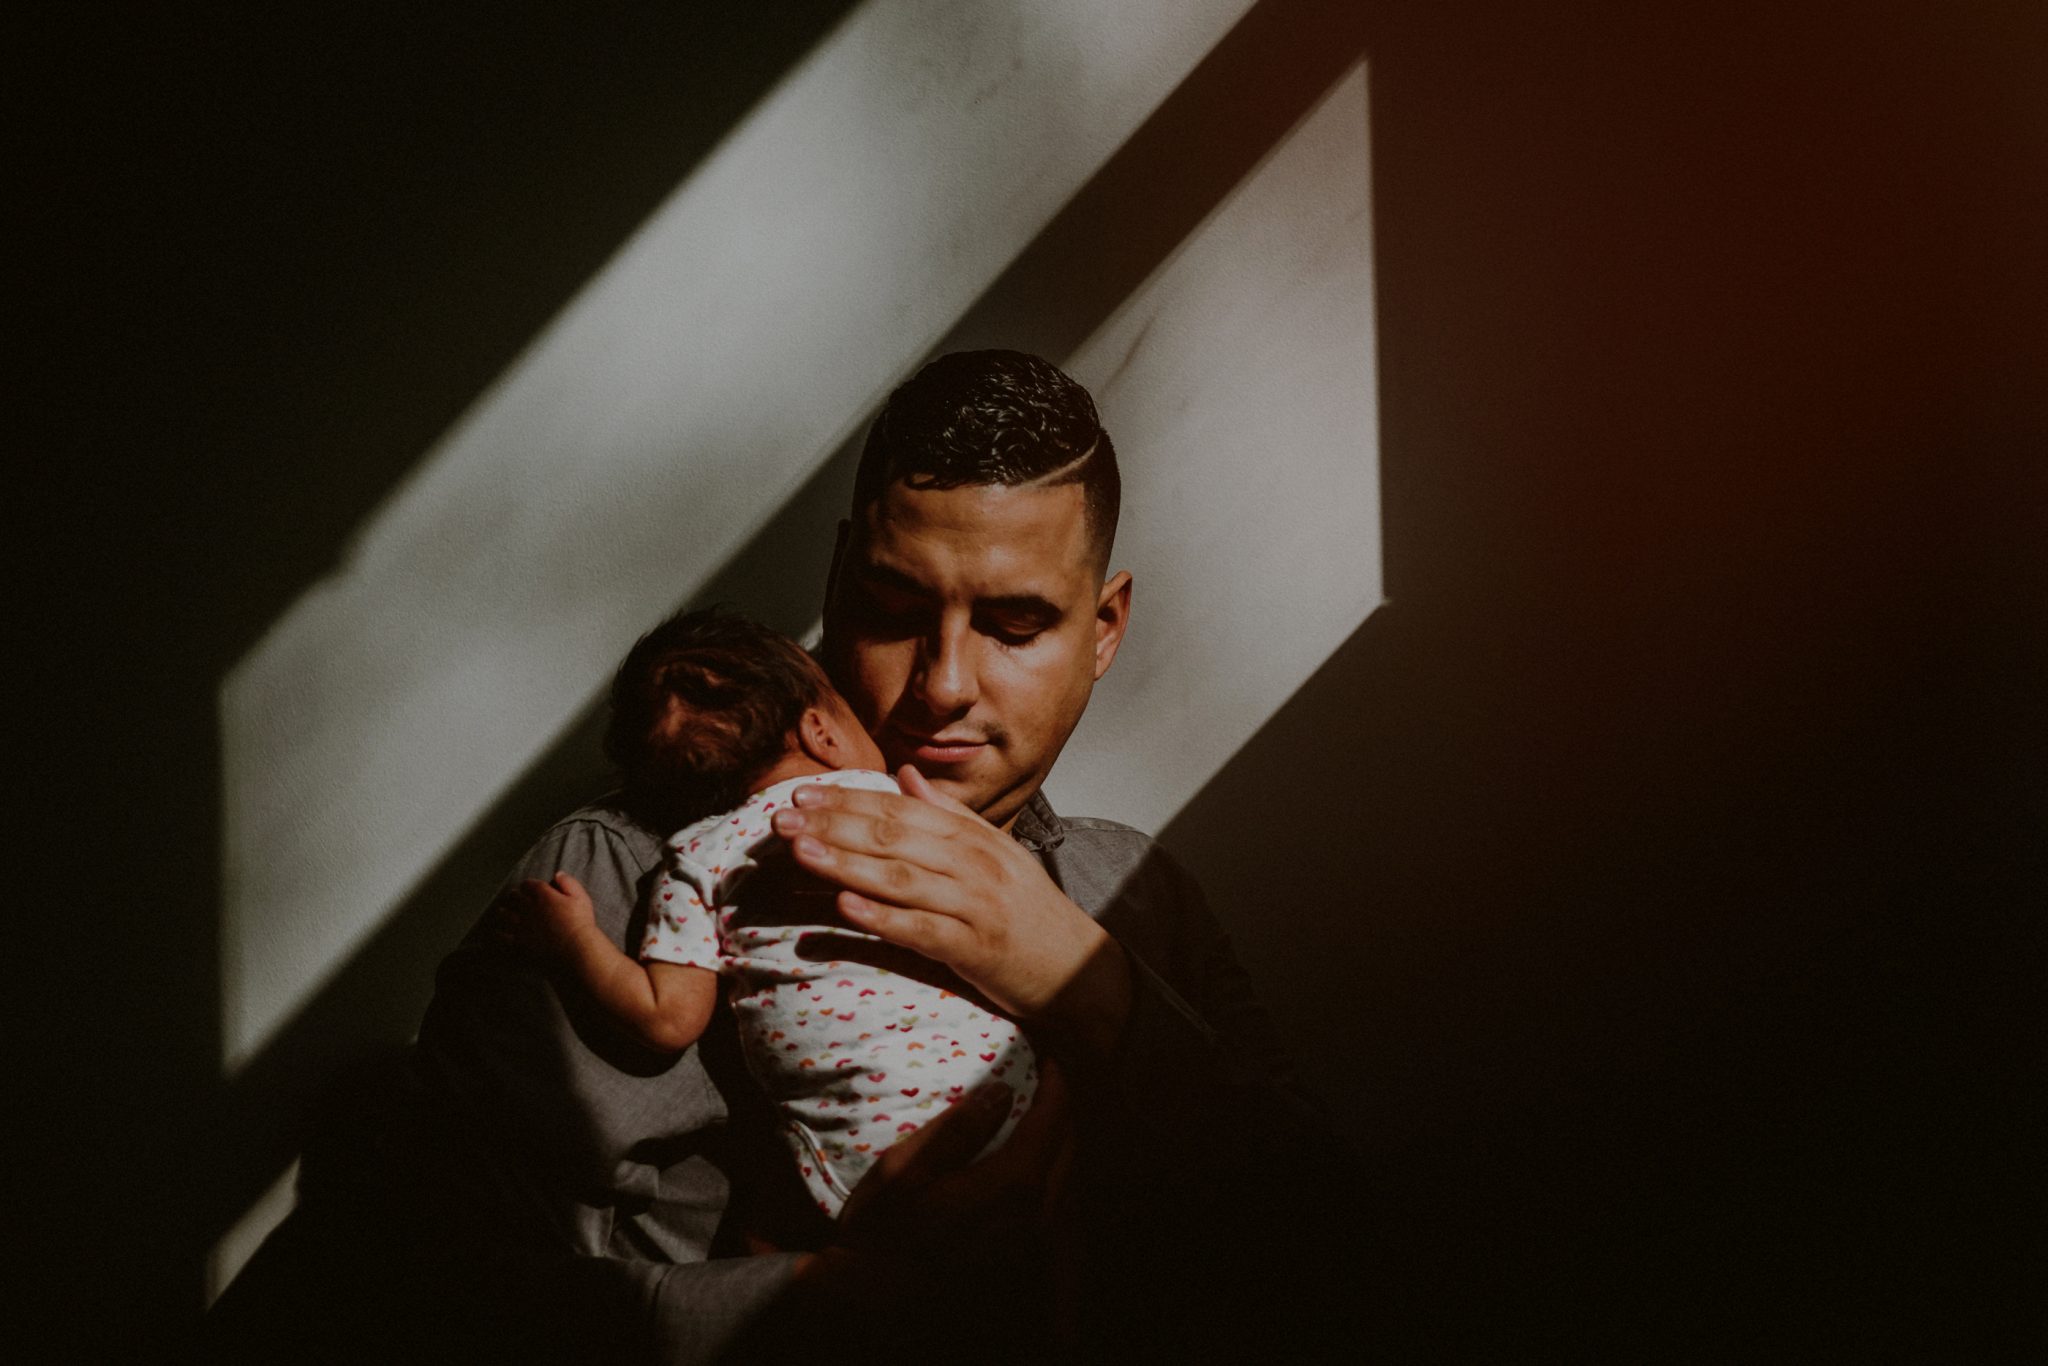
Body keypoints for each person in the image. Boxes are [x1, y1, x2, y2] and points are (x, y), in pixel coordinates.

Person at [200, 350, 1354, 1364]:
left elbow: (1324, 1240)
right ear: (836, 575)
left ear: (1102, 629)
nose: (943, 683)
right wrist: (812, 1306)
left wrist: (1081, 979)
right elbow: (391, 1295)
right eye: (893, 604)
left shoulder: (1131, 892)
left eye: (1011, 627)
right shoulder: (622, 884)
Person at [498, 607, 1038, 1221]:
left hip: (861, 1150)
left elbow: (667, 1019)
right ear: (821, 731)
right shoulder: (905, 805)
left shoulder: (697, 861)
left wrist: (573, 940)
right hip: (1005, 1085)